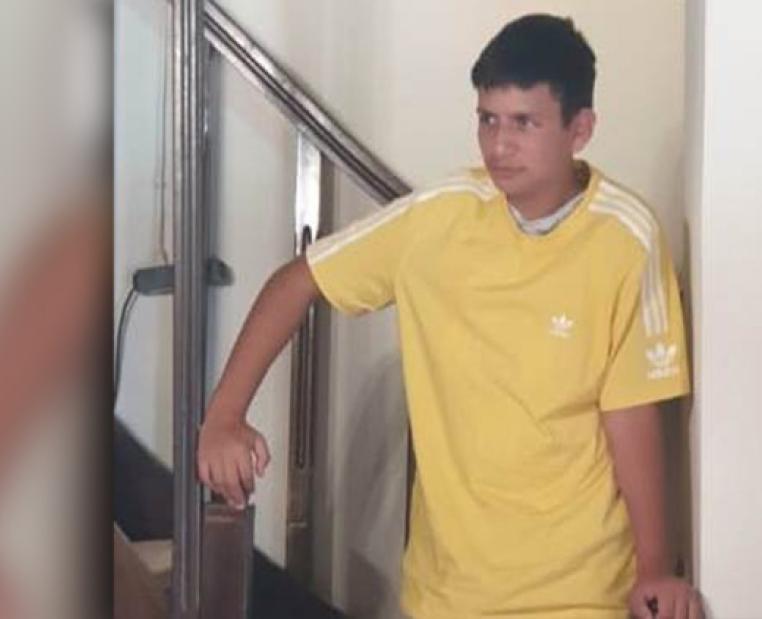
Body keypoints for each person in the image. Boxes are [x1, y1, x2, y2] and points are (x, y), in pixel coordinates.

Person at [198, 14, 703, 619]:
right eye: (487, 119)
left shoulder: (626, 237)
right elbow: (299, 280)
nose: (499, 145)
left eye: (524, 123)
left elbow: (633, 415)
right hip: (447, 596)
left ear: (580, 129)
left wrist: (654, 568)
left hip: (581, 592)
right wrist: (224, 415)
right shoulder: (440, 218)